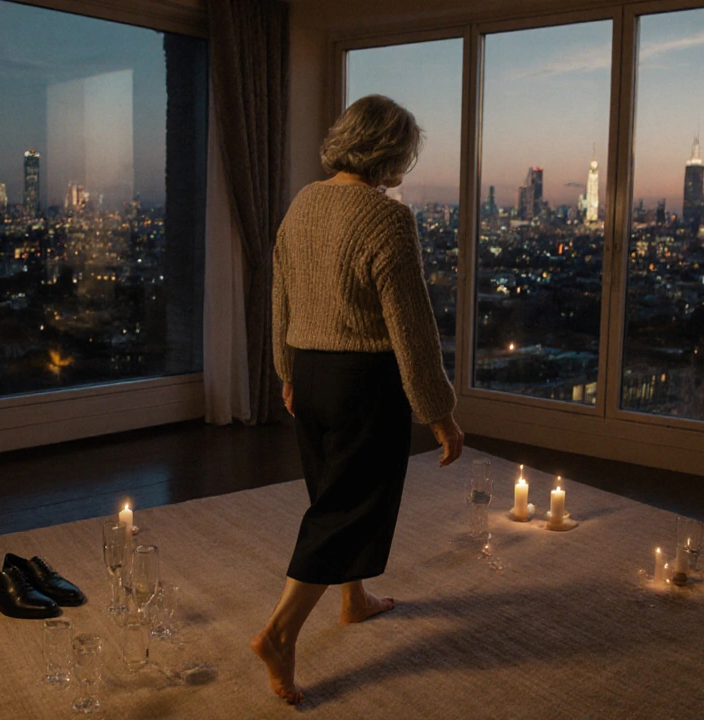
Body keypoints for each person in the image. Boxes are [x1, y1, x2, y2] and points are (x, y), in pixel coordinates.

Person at [251, 94, 464, 704]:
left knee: (332, 494)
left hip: (311, 374)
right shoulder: (386, 218)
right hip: (364, 382)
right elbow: (412, 328)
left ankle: (354, 598)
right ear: (391, 152)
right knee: (348, 510)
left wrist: (286, 371)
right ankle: (280, 633)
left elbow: (280, 295)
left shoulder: (303, 202)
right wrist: (440, 413)